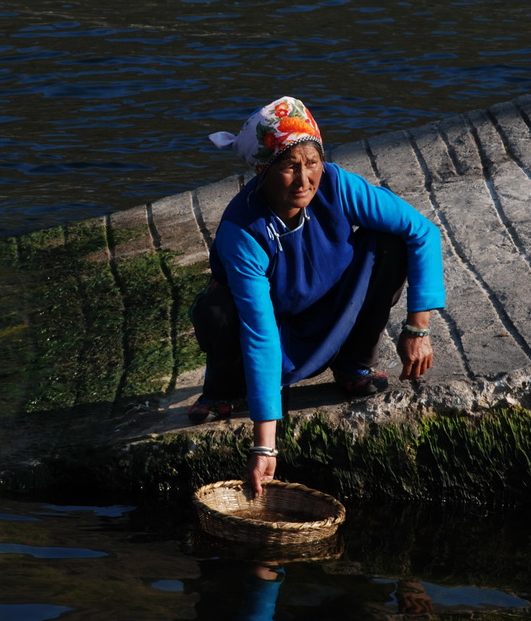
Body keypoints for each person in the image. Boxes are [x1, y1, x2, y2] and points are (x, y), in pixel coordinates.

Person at [189, 97, 446, 496]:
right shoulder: (242, 231)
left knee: (389, 243)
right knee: (215, 311)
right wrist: (265, 444)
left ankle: (353, 364)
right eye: (290, 167)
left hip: (333, 309)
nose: (305, 178)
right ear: (264, 170)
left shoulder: (339, 185)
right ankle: (227, 388)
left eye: (312, 163)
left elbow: (423, 232)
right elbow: (259, 334)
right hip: (273, 329)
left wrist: (418, 327)